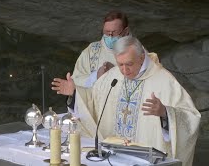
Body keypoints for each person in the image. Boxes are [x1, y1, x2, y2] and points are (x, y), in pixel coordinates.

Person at [76, 36, 201, 166]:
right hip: (113, 158)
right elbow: (92, 101)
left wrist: (166, 113)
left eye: (129, 64)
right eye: (120, 64)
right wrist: (75, 93)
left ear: (141, 58)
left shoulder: (164, 81)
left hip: (147, 160)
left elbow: (192, 118)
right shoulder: (112, 77)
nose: (124, 70)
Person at [51, 10, 130, 97]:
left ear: (125, 31)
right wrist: (95, 76)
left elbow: (141, 83)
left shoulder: (137, 52)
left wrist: (114, 72)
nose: (110, 36)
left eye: (114, 33)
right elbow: (77, 78)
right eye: (107, 32)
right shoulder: (92, 50)